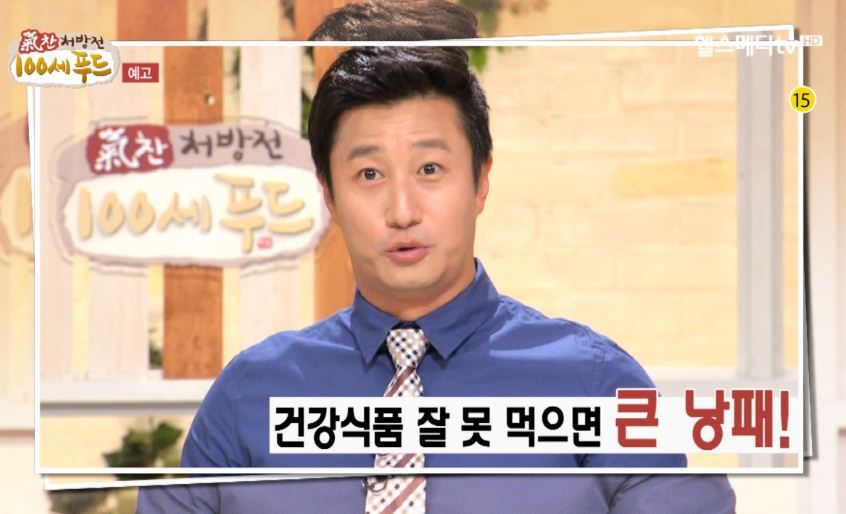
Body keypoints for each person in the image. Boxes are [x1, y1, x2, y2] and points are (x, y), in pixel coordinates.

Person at [136, 2, 737, 512]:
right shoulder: (251, 397)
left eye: (430, 168)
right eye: (369, 174)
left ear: (481, 181)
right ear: (329, 196)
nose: (402, 210)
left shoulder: (594, 384)